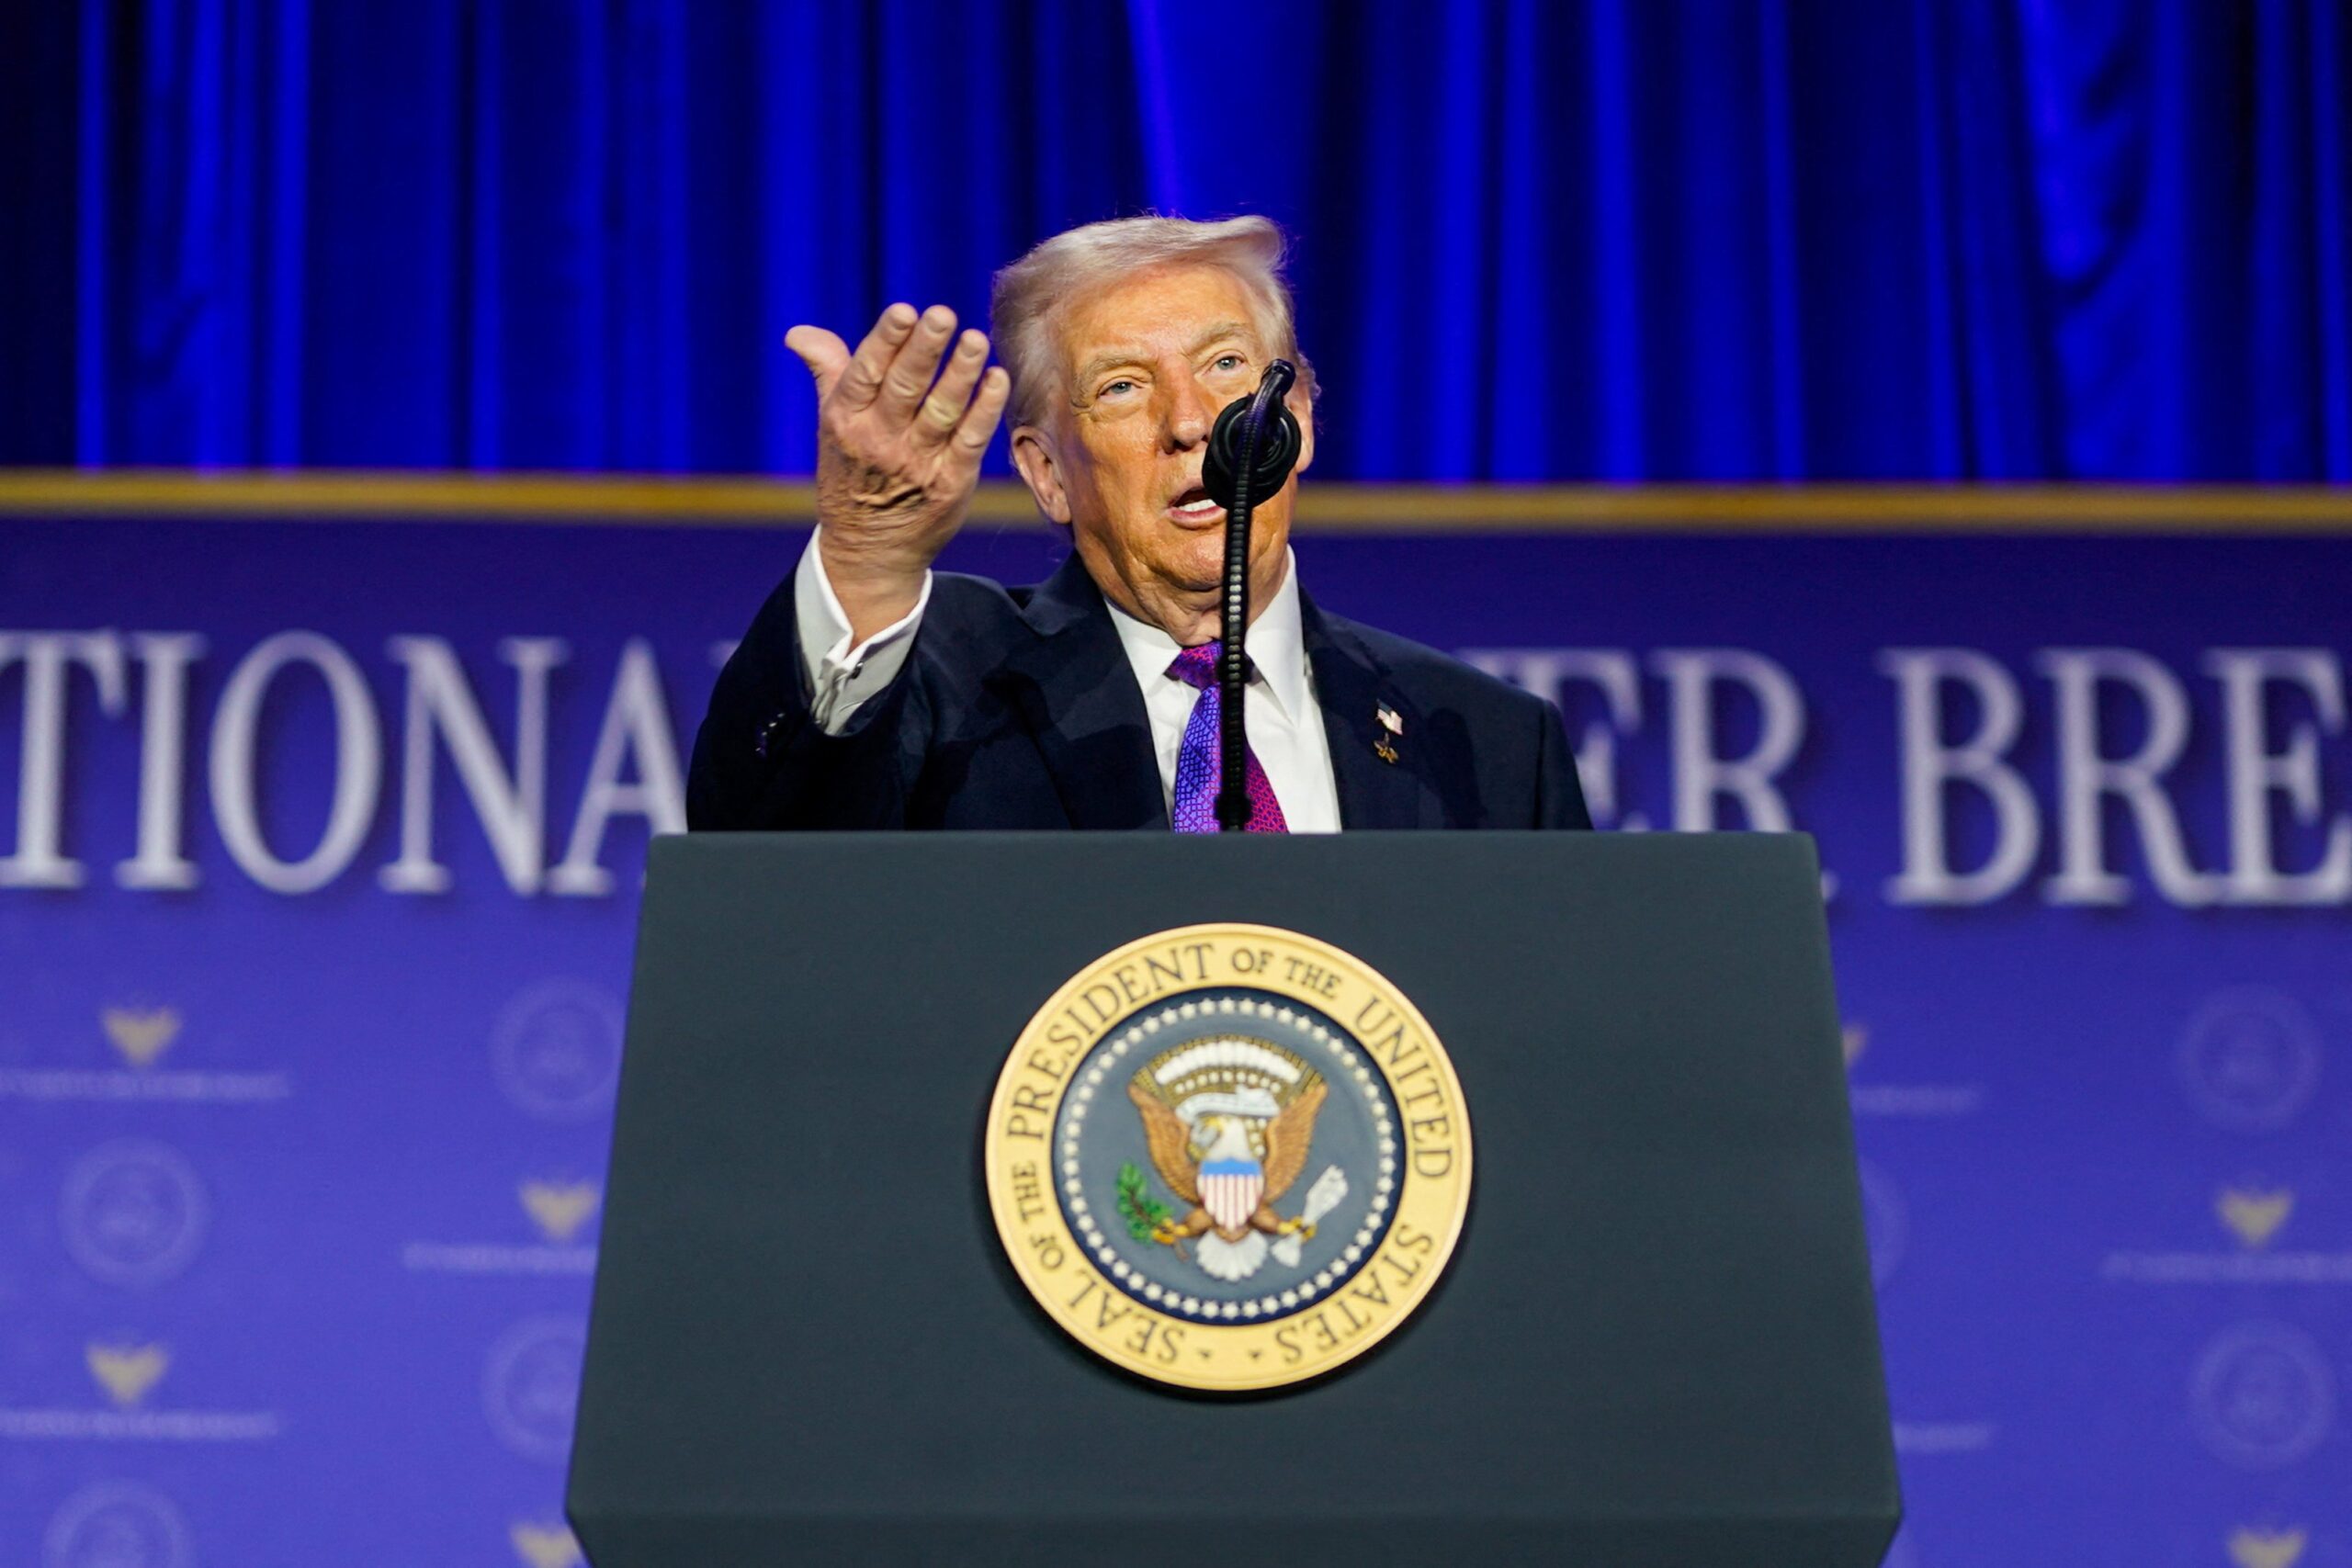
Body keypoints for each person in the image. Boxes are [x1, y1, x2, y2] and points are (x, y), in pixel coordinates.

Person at [687, 215, 1590, 833]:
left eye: (1227, 365)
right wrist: (867, 560)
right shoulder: (939, 686)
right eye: (1122, 386)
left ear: (1299, 421)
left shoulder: (1493, 743)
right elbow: (766, 869)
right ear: (1047, 474)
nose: (1190, 422)